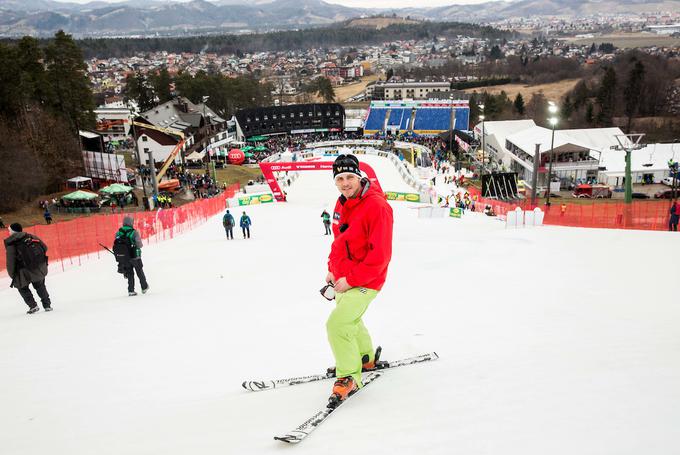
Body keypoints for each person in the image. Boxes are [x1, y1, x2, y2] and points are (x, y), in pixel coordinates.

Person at [324, 154, 394, 406]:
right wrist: (332, 268)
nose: (345, 183)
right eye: (340, 178)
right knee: (352, 319)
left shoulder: (377, 206)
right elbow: (338, 240)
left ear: (360, 176)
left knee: (338, 325)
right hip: (343, 277)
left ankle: (349, 375)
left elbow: (381, 256)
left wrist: (351, 279)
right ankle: (365, 358)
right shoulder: (342, 202)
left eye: (350, 177)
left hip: (366, 279)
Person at [4, 223, 52, 314]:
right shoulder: (30, 236)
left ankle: (33, 306)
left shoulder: (11, 243)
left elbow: (10, 261)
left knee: (22, 287)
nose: (8, 232)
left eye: (9, 230)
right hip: (37, 267)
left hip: (22, 271)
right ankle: (47, 305)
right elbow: (45, 247)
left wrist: (12, 274)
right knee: (40, 285)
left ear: (13, 231)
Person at [114, 216, 149, 296]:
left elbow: (116, 243)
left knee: (129, 273)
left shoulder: (118, 232)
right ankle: (144, 287)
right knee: (139, 271)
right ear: (131, 222)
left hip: (124, 257)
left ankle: (131, 290)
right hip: (134, 255)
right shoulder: (134, 232)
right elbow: (139, 245)